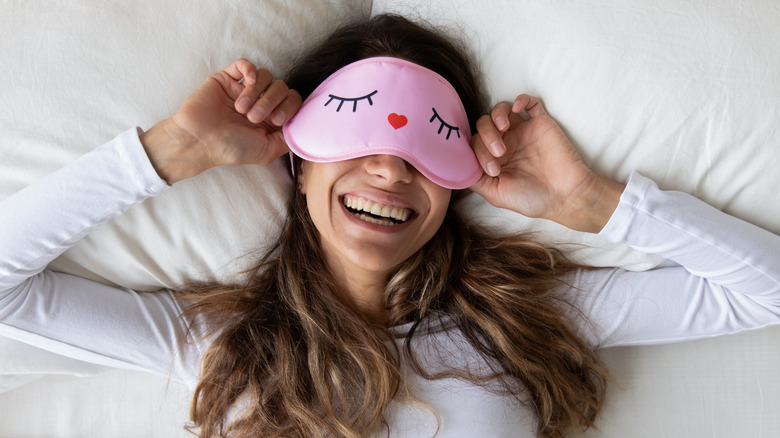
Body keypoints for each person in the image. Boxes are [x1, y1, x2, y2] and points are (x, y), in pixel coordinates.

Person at [1, 13, 779, 438]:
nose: (388, 169)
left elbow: (764, 294)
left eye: (423, 146)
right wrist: (170, 153)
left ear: (459, 181)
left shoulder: (518, 321)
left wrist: (593, 205)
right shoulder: (222, 345)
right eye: (355, 134)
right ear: (298, 163)